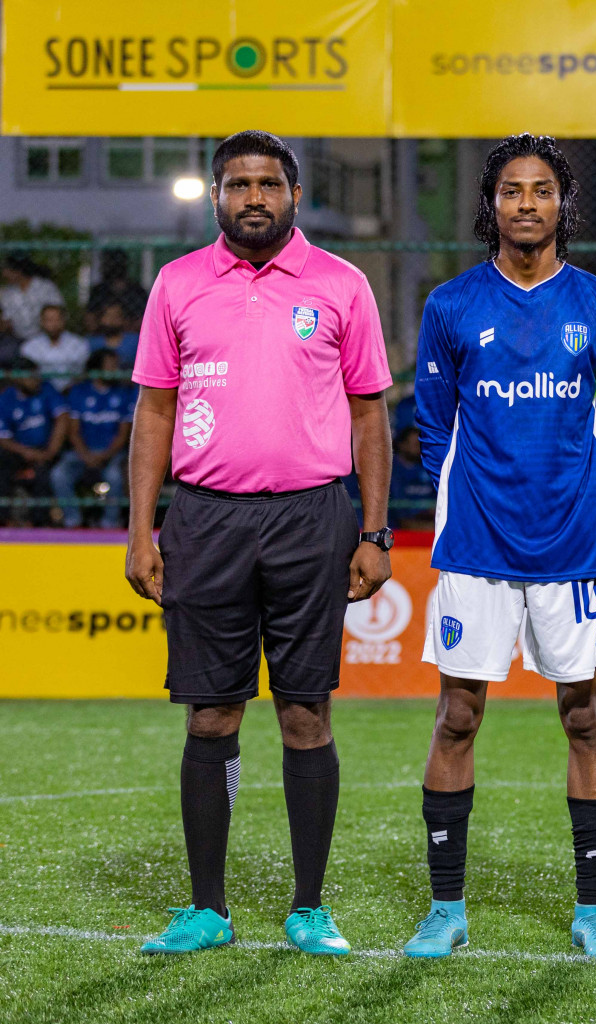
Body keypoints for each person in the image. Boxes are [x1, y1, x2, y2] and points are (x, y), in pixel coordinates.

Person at [124, 130, 395, 957]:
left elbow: (368, 416)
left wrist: (375, 531)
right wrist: (142, 529)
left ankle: (308, 906)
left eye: (267, 183)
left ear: (294, 195)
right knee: (211, 716)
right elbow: (155, 414)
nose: (252, 197)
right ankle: (208, 907)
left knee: (306, 714)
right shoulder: (176, 285)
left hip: (313, 519)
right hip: (204, 520)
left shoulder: (342, 285)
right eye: (237, 184)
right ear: (215, 197)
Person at [404, 134, 596, 960]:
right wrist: (455, 499)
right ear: (491, 205)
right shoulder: (452, 306)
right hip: (474, 547)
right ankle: (445, 909)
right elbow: (434, 424)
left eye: (542, 191)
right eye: (512, 191)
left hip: (571, 547)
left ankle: (593, 910)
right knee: (458, 715)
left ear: (561, 205)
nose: (527, 204)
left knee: (584, 717)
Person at [53, 349, 133, 527]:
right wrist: (86, 455)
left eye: (116, 365)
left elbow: (123, 434)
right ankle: (72, 521)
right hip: (82, 454)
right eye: (110, 365)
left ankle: (109, 523)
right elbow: (73, 432)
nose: (115, 369)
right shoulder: (79, 392)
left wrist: (104, 456)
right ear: (97, 368)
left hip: (112, 455)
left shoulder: (123, 393)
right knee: (59, 474)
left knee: (115, 476)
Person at [0, 357, 69, 526]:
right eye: (29, 377)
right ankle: (5, 521)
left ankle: (39, 523)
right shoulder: (6, 398)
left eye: (36, 375)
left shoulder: (47, 389)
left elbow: (62, 418)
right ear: (16, 379)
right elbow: (3, 437)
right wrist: (26, 452)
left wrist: (51, 451)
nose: (35, 380)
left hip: (47, 450)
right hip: (19, 451)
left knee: (43, 475)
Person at [0, 257, 65, 339]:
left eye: (6, 271)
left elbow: (58, 312)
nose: (3, 274)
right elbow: (6, 320)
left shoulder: (45, 287)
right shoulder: (8, 293)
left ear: (18, 271)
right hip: (16, 338)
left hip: (44, 337)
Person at [87, 247, 151, 330]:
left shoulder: (137, 290)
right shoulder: (99, 290)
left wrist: (123, 325)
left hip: (131, 337)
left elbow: (144, 320)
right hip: (101, 335)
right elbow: (89, 319)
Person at [21, 304, 90, 379]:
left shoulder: (79, 344)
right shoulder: (29, 347)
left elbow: (80, 373)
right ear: (42, 322)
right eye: (49, 320)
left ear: (64, 321)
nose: (54, 324)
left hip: (73, 388)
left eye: (57, 319)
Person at [88, 301, 140, 369]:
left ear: (123, 319)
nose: (111, 320)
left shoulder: (135, 341)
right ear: (101, 319)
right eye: (108, 316)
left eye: (116, 316)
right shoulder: (92, 343)